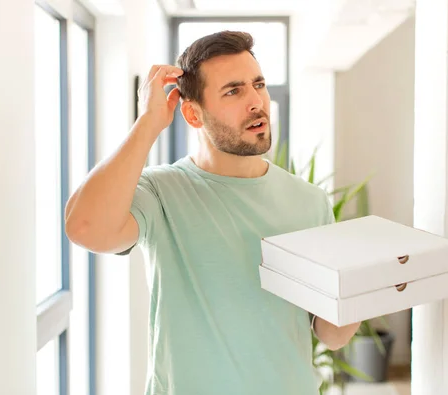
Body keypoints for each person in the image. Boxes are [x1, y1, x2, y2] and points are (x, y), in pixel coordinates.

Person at [65, 31, 360, 395]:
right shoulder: (160, 192)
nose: (256, 101)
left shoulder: (309, 201)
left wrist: (367, 284)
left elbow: (331, 334)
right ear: (191, 113)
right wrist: (148, 123)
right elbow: (85, 228)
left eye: (259, 84)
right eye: (233, 91)